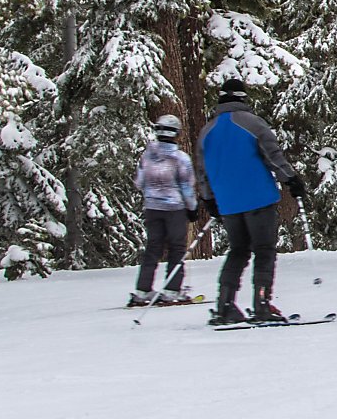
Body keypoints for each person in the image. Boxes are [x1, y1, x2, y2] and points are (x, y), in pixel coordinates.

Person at [198, 78, 304, 325]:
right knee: (264, 250)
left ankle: (225, 305)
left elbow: (201, 170)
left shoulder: (207, 130)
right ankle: (262, 303)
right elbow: (273, 156)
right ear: (242, 98)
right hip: (258, 197)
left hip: (228, 203)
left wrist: (208, 199)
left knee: (238, 251)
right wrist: (291, 179)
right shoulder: (252, 123)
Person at [129, 114, 196, 307]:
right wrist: (192, 208)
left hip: (152, 207)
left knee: (153, 248)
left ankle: (143, 290)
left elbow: (139, 182)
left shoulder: (147, 156)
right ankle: (172, 289)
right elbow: (186, 186)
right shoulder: (180, 158)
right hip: (175, 208)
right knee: (176, 248)